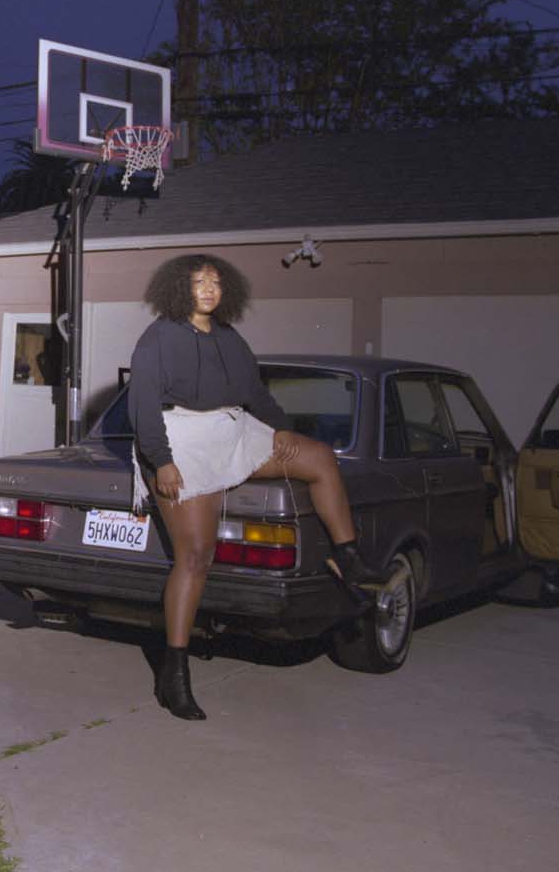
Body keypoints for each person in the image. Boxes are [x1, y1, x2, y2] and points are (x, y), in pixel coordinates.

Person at [129, 253, 387, 722]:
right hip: (181, 439)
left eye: (215, 281)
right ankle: (175, 672)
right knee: (195, 558)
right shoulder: (158, 338)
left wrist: (280, 428)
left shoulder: (229, 336)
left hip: (234, 429)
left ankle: (348, 558)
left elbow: (255, 394)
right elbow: (143, 406)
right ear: (177, 288)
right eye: (198, 281)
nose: (208, 288)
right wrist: (162, 462)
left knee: (320, 458)